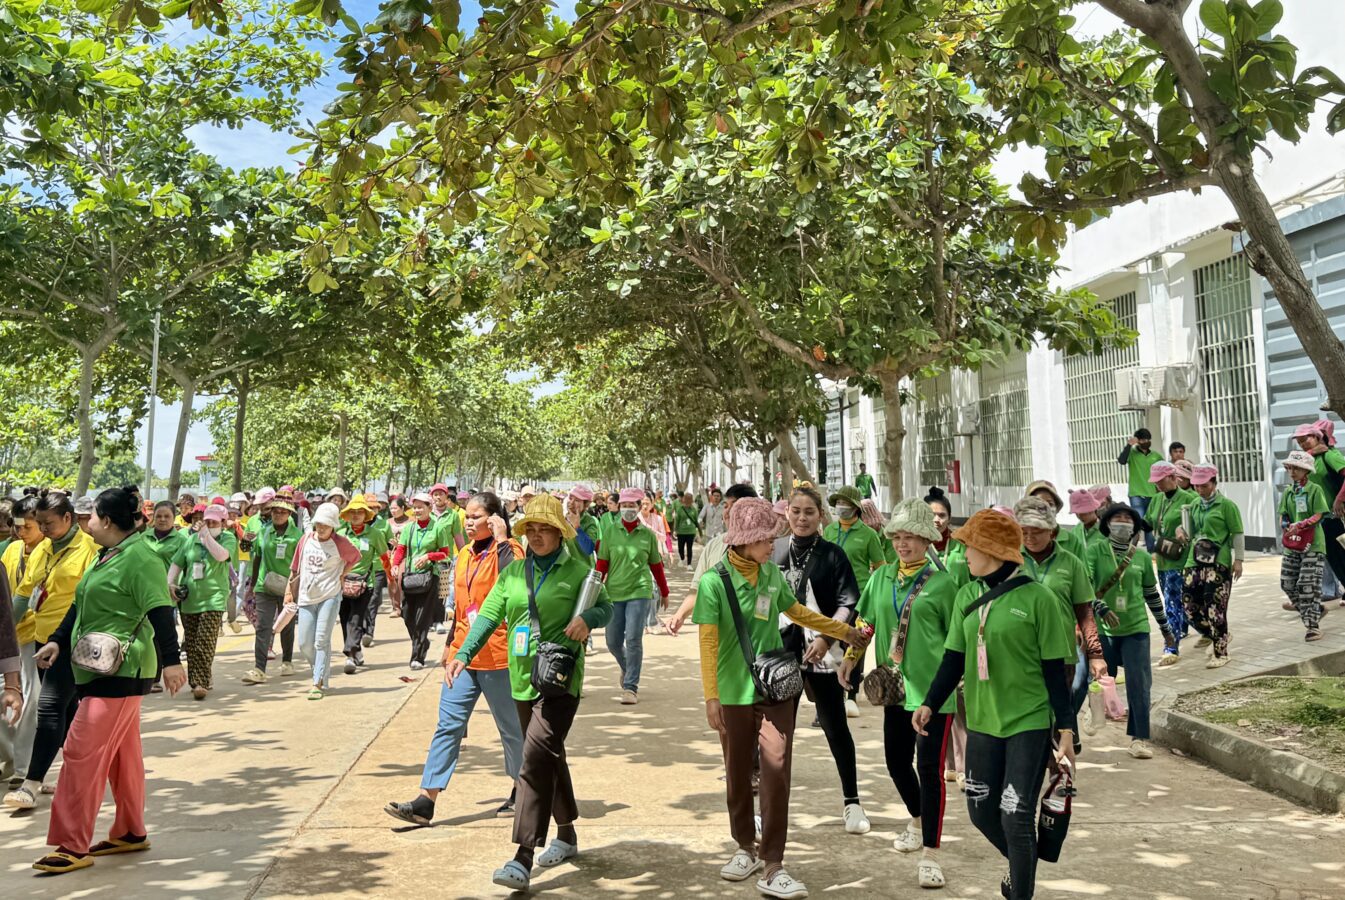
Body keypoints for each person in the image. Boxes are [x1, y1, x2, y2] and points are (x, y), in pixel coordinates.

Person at [694, 497, 865, 900]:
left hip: (775, 691)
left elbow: (800, 613)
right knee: (738, 773)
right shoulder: (713, 583)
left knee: (776, 769)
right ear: (746, 541)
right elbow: (707, 642)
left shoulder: (771, 574)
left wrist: (842, 632)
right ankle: (744, 848)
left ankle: (773, 863)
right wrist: (711, 697)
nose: (774, 544)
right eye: (767, 538)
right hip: (733, 693)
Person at [448, 494, 612, 893]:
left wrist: (587, 618)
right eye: (531, 529)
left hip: (559, 680)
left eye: (545, 529)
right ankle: (568, 834)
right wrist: (464, 653)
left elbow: (604, 608)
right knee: (548, 757)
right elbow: (489, 614)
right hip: (521, 678)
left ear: (560, 533)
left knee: (533, 758)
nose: (537, 536)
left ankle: (522, 856)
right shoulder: (514, 571)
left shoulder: (578, 570)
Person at [913, 509, 1076, 900]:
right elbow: (953, 657)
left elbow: (1056, 671)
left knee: (1014, 814)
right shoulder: (967, 595)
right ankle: (1023, 866)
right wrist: (930, 704)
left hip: (1028, 721)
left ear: (993, 550)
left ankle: (1020, 889)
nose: (963, 551)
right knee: (981, 810)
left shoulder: (1040, 599)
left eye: (970, 545)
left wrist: (1067, 731)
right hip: (984, 721)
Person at [29, 488, 186, 874]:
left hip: (121, 671)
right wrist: (57, 641)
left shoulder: (141, 558)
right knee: (122, 754)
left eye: (92, 517)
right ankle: (130, 831)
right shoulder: (109, 555)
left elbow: (161, 610)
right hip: (97, 667)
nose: (87, 522)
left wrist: (172, 661)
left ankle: (71, 844)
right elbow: (79, 603)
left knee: (80, 752)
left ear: (109, 522)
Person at [385, 492, 525, 826]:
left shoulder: (511, 551)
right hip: (463, 654)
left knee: (511, 729)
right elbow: (462, 607)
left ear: (494, 518)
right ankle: (425, 800)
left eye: (478, 517)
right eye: (468, 517)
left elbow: (516, 583)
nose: (471, 522)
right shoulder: (463, 554)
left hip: (499, 654)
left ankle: (524, 788)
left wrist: (504, 539)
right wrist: (449, 646)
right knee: (448, 725)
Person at [841, 499, 958, 889]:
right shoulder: (882, 577)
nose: (903, 545)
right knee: (895, 762)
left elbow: (955, 642)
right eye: (898, 537)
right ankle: (919, 818)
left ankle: (931, 854)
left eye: (912, 538)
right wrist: (851, 657)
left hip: (933, 694)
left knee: (929, 770)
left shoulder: (944, 584)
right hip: (895, 691)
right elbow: (866, 622)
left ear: (928, 540)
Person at [772, 486, 867, 835]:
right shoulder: (775, 550)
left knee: (835, 727)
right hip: (780, 654)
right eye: (795, 511)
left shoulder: (833, 555)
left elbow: (848, 602)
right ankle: (771, 806)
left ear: (820, 516)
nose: (801, 517)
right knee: (777, 735)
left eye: (809, 511)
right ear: (786, 514)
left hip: (822, 654)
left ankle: (852, 802)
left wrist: (828, 639)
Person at [3, 491, 99, 811]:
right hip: (44, 639)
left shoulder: (89, 550)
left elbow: (89, 600)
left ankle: (30, 783)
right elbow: (23, 595)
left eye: (49, 523)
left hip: (73, 640)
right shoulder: (43, 548)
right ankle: (81, 772)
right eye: (39, 523)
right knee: (70, 712)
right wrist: (6, 634)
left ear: (68, 518)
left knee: (49, 706)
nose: (43, 530)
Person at [1013, 496, 1105, 750]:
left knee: (1059, 717)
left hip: (1060, 655)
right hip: (1020, 655)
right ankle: (1035, 769)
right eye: (1024, 531)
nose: (1030, 537)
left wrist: (1096, 654)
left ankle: (1062, 773)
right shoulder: (1011, 561)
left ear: (1052, 531)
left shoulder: (1070, 564)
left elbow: (1084, 611)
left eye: (1037, 531)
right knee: (1029, 719)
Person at [1089, 504, 1175, 759]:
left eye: (1128, 519)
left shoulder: (1140, 557)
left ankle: (1139, 738)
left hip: (1136, 627)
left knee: (1140, 684)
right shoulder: (1094, 551)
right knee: (1096, 679)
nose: (1123, 522)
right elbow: (1084, 588)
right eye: (1117, 518)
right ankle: (1091, 715)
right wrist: (1101, 608)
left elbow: (1151, 594)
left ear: (1135, 527)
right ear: (1107, 523)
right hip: (1103, 629)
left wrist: (1165, 628)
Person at [596, 488, 669, 703]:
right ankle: (627, 666)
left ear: (639, 507)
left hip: (640, 591)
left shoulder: (647, 535)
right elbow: (602, 565)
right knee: (613, 641)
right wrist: (595, 591)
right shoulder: (609, 532)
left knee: (634, 639)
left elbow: (656, 566)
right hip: (614, 592)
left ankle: (631, 687)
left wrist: (664, 592)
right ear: (619, 507)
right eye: (625, 505)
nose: (628, 509)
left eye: (632, 505)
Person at [284, 503, 360, 699]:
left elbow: (355, 557)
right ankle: (320, 668)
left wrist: (343, 574)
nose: (321, 528)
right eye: (318, 524)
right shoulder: (306, 539)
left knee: (321, 640)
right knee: (304, 644)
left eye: (326, 525)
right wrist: (289, 591)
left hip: (330, 596)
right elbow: (295, 567)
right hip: (307, 597)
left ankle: (317, 682)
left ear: (333, 525)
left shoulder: (340, 543)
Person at [668, 483, 759, 635]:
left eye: (735, 506)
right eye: (726, 506)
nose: (728, 512)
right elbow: (697, 589)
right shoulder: (714, 546)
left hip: (756, 635)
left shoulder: (766, 548)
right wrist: (680, 615)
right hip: (720, 635)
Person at [167, 503, 237, 700]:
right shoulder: (190, 541)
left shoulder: (228, 538)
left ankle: (201, 682)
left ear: (223, 523)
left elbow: (221, 555)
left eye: (214, 521)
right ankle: (199, 679)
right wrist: (169, 584)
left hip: (214, 598)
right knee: (192, 643)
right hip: (190, 599)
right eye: (207, 521)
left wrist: (206, 537)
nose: (209, 524)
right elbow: (177, 563)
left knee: (204, 642)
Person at [1176, 465, 1244, 668]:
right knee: (1188, 606)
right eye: (1196, 486)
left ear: (1214, 483)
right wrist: (1181, 530)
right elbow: (1189, 530)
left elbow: (1237, 533)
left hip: (1218, 560)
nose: (1199, 490)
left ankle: (1221, 652)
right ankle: (1216, 634)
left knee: (1215, 606)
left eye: (1204, 486)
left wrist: (1238, 560)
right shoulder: (1195, 504)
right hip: (1194, 559)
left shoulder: (1227, 506)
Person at [0, 496, 44, 786]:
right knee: (6, 702)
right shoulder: (12, 550)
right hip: (9, 633)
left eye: (28, 526)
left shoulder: (48, 552)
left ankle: (23, 768)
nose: (21, 532)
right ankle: (10, 758)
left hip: (34, 635)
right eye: (18, 527)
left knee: (30, 702)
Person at [392, 492, 456, 669]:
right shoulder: (409, 529)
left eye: (421, 507)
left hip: (430, 577)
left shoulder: (438, 528)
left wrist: (429, 556)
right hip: (411, 577)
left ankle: (417, 657)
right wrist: (396, 565)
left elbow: (445, 553)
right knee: (407, 615)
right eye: (415, 507)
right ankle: (422, 642)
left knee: (422, 618)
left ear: (429, 508)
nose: (418, 510)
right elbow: (401, 550)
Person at [242, 491, 300, 685]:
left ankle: (287, 661)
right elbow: (257, 556)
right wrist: (252, 585)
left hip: (288, 588)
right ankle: (259, 668)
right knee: (263, 626)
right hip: (264, 586)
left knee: (287, 626)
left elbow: (300, 565)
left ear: (289, 514)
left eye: (283, 512)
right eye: (275, 511)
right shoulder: (264, 532)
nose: (278, 514)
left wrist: (296, 589)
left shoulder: (297, 537)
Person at [1145, 462, 1198, 666]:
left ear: (1172, 477)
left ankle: (1171, 647)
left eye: (1160, 480)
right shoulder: (1157, 500)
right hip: (1164, 558)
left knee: (1172, 603)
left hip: (1183, 559)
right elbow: (1148, 522)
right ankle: (1212, 632)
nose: (1157, 485)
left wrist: (1182, 530)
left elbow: (1197, 525)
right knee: (1179, 603)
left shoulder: (1189, 499)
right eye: (1155, 482)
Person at [1294, 420, 1345, 610]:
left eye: (1305, 439)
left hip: (1335, 515)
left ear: (1316, 436)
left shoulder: (1329, 456)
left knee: (1339, 553)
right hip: (1317, 517)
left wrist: (1339, 500)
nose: (1302, 443)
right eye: (1299, 441)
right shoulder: (1309, 458)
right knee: (1330, 556)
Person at [1279, 450, 1329, 641]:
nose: (1292, 472)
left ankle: (1312, 626)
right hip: (1292, 544)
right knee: (1287, 583)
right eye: (1290, 467)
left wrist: (1301, 524)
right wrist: (1286, 526)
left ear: (1306, 470)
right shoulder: (1288, 492)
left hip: (1313, 545)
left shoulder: (1315, 489)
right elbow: (1283, 514)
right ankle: (1315, 610)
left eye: (1297, 468)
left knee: (1307, 585)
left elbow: (1319, 514)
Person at [335, 494, 388, 673]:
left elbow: (384, 557)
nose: (356, 515)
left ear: (366, 515)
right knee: (344, 618)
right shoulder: (340, 534)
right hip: (341, 583)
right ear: (347, 515)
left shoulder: (375, 534)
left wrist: (392, 576)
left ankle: (349, 654)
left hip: (365, 583)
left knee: (356, 618)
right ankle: (355, 650)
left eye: (360, 512)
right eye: (353, 512)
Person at [1118, 428, 1162, 550]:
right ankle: (1130, 550)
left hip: (1152, 494)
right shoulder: (1132, 453)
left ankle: (1151, 551)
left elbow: (1163, 471)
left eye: (1148, 439)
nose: (1146, 441)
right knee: (1137, 523)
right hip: (1136, 494)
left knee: (1149, 524)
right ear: (1138, 441)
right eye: (1143, 439)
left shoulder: (1156, 456)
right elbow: (1121, 460)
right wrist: (1129, 445)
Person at [143, 501, 187, 572]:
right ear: (154, 517)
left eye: (167, 516)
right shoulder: (143, 537)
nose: (162, 519)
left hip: (167, 582)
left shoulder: (182, 541)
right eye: (158, 516)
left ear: (174, 518)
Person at [565, 485, 601, 557]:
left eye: (577, 500)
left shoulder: (589, 521)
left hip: (583, 567)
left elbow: (589, 549)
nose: (571, 502)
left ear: (585, 505)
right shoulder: (563, 518)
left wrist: (577, 528)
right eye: (570, 498)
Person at [672, 492, 700, 568]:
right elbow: (677, 520)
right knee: (680, 547)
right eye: (687, 499)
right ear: (684, 500)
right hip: (681, 532)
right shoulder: (680, 509)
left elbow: (696, 520)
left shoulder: (693, 510)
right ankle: (682, 558)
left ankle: (689, 564)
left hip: (691, 531)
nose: (688, 501)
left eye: (690, 499)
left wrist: (697, 531)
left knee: (689, 548)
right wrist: (675, 530)